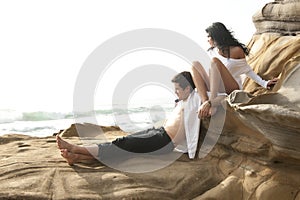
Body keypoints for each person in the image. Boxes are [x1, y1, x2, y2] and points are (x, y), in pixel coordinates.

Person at [57, 71, 203, 165]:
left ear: (188, 89)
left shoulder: (194, 99)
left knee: (123, 143)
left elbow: (198, 71)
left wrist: (208, 102)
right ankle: (77, 157)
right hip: (158, 133)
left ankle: (75, 148)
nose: (175, 92)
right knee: (124, 148)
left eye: (178, 89)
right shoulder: (183, 102)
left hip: (164, 141)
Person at [191, 22, 278, 118]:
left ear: (216, 36)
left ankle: (211, 102)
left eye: (209, 37)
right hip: (215, 86)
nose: (207, 40)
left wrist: (264, 83)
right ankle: (205, 103)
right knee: (195, 64)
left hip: (230, 87)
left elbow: (247, 69)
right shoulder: (212, 51)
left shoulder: (236, 50)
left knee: (215, 62)